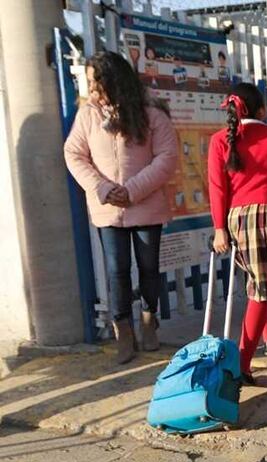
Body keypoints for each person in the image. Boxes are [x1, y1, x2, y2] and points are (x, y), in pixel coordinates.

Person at [64, 51, 179, 364]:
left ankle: (148, 319)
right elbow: (74, 154)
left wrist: (132, 191)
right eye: (89, 83)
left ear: (117, 82)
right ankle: (123, 329)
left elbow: (167, 157)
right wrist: (103, 188)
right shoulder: (87, 115)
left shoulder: (151, 113)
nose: (93, 90)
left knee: (148, 267)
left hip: (146, 205)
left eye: (98, 83)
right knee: (116, 271)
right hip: (108, 209)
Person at [207, 83, 267, 385]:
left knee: (257, 280)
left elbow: (217, 188)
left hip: (235, 219)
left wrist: (220, 228)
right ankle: (243, 364)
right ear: (262, 110)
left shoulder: (219, 140)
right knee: (262, 287)